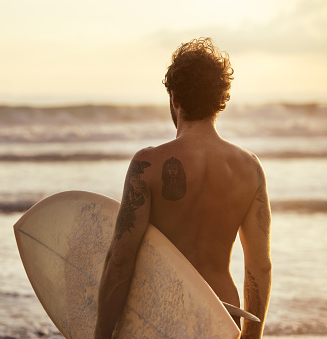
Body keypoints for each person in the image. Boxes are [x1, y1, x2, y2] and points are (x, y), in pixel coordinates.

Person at [94, 37, 272, 339]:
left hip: (161, 316)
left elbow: (120, 260)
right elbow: (260, 268)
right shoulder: (249, 168)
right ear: (220, 99)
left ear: (174, 98)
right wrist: (251, 337)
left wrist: (101, 336)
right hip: (223, 314)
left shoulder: (147, 165)